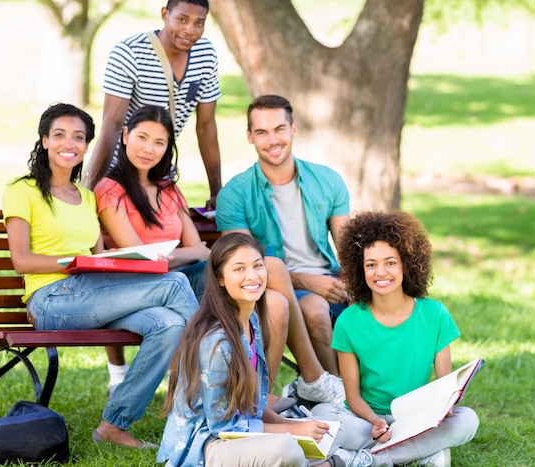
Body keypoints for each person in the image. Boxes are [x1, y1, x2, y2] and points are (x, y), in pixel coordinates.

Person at [94, 104, 343, 408]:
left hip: (189, 279)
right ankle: (314, 378)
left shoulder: (167, 189)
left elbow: (199, 248)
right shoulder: (109, 189)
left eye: (159, 142)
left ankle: (257, 398)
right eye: (142, 138)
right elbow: (144, 261)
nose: (149, 149)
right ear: (124, 136)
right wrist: (177, 254)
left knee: (276, 298)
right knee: (272, 268)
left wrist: (171, 255)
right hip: (152, 289)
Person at [2, 103, 199, 448]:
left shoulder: (87, 197)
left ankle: (112, 426)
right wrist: (72, 262)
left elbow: (101, 258)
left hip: (90, 293)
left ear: (87, 145)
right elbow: (22, 260)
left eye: (79, 137)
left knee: (168, 323)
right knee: (177, 283)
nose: (70, 143)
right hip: (51, 300)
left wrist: (118, 260)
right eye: (60, 135)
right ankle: (221, 388)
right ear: (45, 140)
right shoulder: (22, 191)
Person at [157, 233, 360, 466]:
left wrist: (291, 425)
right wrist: (292, 433)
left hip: (244, 434)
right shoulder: (217, 342)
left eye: (258, 266)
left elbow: (252, 403)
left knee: (336, 431)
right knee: (287, 449)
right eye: (239, 269)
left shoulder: (251, 319)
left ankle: (327, 459)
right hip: (208, 444)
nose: (252, 276)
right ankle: (329, 463)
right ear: (220, 278)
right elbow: (223, 426)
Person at [310, 211, 480, 467]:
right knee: (321, 413)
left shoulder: (434, 314)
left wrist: (446, 406)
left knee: (467, 420)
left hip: (416, 418)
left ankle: (362, 459)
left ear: (407, 264)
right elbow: (352, 396)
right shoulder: (348, 321)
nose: (381, 272)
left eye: (390, 262)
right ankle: (420, 450)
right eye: (371, 264)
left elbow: (446, 385)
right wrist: (374, 422)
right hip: (366, 421)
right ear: (360, 268)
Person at [216, 94, 350, 377]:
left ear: (293, 129)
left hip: (331, 280)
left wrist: (354, 283)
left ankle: (386, 394)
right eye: (262, 132)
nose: (272, 140)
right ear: (250, 137)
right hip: (273, 287)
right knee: (315, 310)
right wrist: (308, 282)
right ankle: (337, 394)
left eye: (279, 129)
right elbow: (244, 267)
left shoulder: (327, 181)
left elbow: (348, 248)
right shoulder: (235, 194)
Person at [86, 0, 222, 210]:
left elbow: (206, 127)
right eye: (182, 19)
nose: (190, 30)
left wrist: (217, 192)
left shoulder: (206, 55)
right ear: (165, 14)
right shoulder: (129, 53)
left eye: (199, 23)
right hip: (117, 171)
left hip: (160, 170)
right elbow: (112, 125)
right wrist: (91, 189)